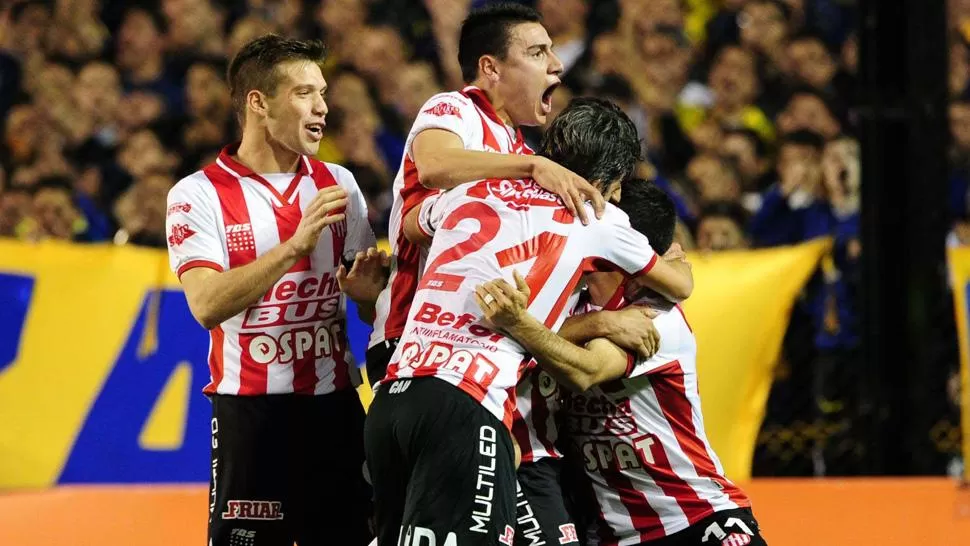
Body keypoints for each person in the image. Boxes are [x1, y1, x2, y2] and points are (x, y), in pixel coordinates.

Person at [364, 97, 694, 546]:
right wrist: (676, 262)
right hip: (465, 404)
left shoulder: (471, 190)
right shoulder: (599, 215)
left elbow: (412, 227)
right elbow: (677, 284)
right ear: (611, 179)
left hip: (392, 398)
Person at [164, 34, 377, 546]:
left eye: (322, 93)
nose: (322, 107)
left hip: (336, 407)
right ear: (258, 103)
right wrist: (293, 246)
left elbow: (371, 307)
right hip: (252, 415)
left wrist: (370, 295)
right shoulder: (198, 194)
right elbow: (206, 304)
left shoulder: (339, 183)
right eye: (304, 93)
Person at [475, 180, 766, 546]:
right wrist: (593, 322)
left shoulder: (654, 316)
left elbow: (586, 369)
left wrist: (517, 322)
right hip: (613, 535)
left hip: (694, 518)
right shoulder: (572, 303)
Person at [365, 2, 607, 387]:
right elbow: (434, 165)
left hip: (478, 345)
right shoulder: (453, 108)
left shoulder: (522, 151)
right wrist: (531, 168)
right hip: (413, 341)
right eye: (537, 52)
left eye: (552, 50)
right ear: (491, 68)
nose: (556, 64)